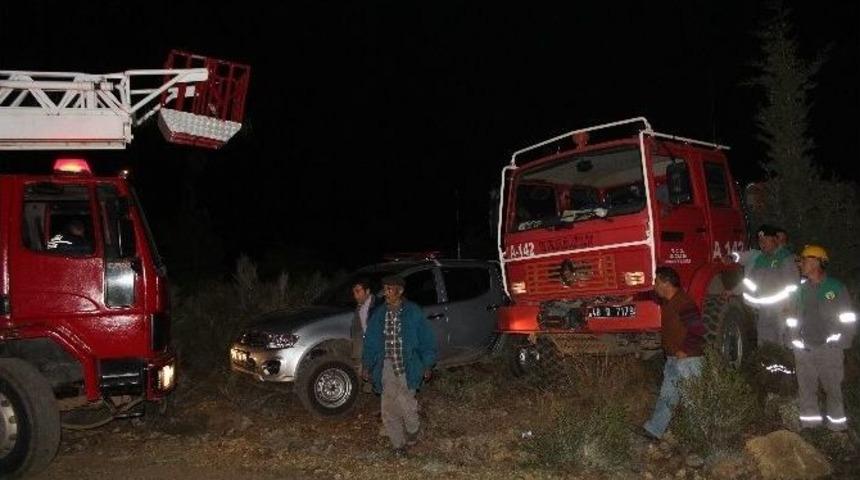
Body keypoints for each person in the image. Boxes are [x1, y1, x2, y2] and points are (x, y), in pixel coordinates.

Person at [361, 275, 437, 455]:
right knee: (388, 407)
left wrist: (427, 364)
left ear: (400, 291)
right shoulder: (379, 314)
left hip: (408, 365)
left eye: (390, 288)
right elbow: (371, 342)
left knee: (405, 403)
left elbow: (427, 340)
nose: (386, 292)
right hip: (386, 366)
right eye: (385, 288)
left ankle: (413, 431)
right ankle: (398, 445)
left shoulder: (413, 312)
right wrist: (366, 365)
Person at [786, 245, 856, 431]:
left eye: (804, 260)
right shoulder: (799, 290)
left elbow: (848, 318)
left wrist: (841, 342)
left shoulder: (836, 287)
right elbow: (792, 317)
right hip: (804, 349)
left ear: (817, 262)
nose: (801, 264)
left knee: (833, 390)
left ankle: (837, 430)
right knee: (806, 390)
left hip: (830, 349)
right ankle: (811, 427)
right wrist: (794, 341)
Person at [640, 266, 706, 440]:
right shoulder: (667, 300)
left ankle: (699, 438)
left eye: (656, 281)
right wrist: (631, 297)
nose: (654, 285)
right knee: (667, 397)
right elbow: (650, 295)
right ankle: (655, 430)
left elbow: (698, 330)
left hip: (688, 360)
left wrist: (685, 350)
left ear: (665, 283)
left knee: (693, 400)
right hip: (673, 359)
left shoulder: (683, 302)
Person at [742, 224, 799, 346]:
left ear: (775, 240)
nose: (762, 243)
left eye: (765, 239)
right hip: (764, 311)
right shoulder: (760, 259)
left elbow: (793, 286)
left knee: (782, 342)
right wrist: (734, 291)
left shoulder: (785, 258)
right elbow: (750, 281)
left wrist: (790, 306)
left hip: (782, 310)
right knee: (764, 343)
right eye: (760, 240)